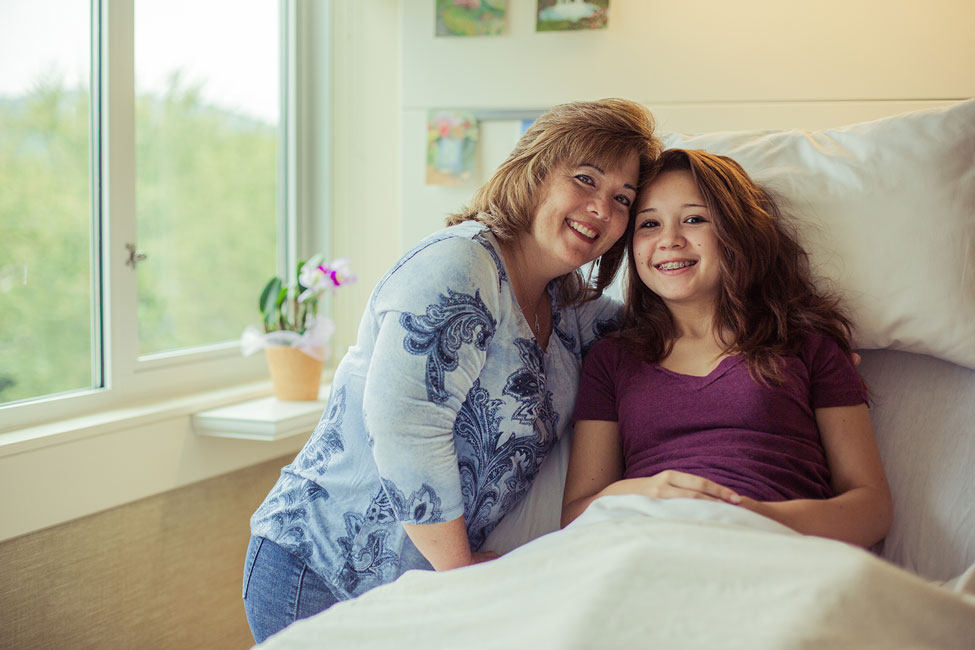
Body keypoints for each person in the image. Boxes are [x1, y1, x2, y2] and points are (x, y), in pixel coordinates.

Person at [243, 98, 661, 642]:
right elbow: (405, 424)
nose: (601, 209)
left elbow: (656, 337)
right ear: (534, 173)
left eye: (623, 199)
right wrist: (461, 578)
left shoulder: (567, 308)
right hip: (320, 572)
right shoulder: (461, 263)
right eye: (585, 179)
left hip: (420, 588)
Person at [562, 149, 893, 548]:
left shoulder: (807, 346)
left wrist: (757, 518)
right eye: (649, 224)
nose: (669, 240)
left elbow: (871, 507)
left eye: (694, 219)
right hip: (647, 544)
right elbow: (577, 515)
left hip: (774, 550)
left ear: (737, 232)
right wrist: (645, 492)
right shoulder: (611, 360)